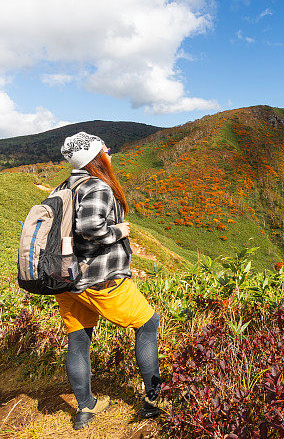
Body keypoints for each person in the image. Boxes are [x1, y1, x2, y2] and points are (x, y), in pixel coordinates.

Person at [56, 131, 164, 430]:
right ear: (95, 156)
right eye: (104, 147)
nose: (109, 150)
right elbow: (91, 227)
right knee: (148, 323)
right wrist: (120, 232)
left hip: (68, 281)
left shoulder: (64, 186)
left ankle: (85, 409)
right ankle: (154, 399)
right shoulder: (97, 185)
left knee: (78, 340)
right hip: (100, 279)